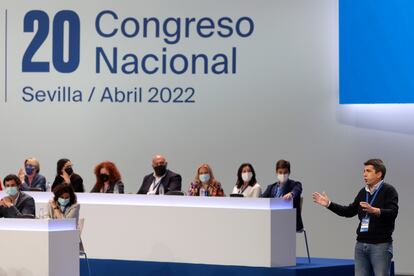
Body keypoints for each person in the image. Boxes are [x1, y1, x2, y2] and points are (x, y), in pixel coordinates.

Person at [312, 159, 398, 276]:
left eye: (368, 171)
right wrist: (329, 204)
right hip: (361, 245)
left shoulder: (389, 190)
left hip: (380, 245)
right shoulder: (363, 192)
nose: (364, 174)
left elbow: (393, 213)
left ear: (379, 174)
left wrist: (375, 210)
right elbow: (348, 211)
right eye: (363, 171)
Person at [262, 159, 303, 231]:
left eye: (285, 172)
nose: (283, 175)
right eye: (280, 172)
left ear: (289, 172)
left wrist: (291, 194)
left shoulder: (295, 185)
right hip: (271, 220)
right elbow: (261, 199)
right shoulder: (271, 187)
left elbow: (297, 190)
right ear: (276, 172)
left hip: (289, 222)